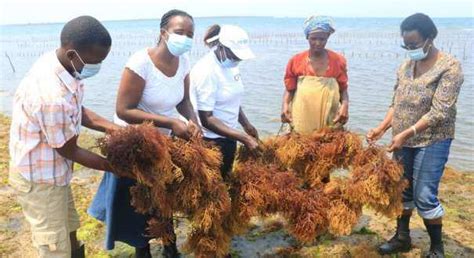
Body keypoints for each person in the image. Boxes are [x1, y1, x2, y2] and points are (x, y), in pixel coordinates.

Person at [88, 10, 199, 258]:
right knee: (139, 200)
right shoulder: (140, 62)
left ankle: (170, 247)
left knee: (164, 196)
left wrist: (192, 120)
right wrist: (171, 122)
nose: (186, 38)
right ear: (163, 33)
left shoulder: (184, 61)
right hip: (134, 143)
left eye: (190, 34)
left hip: (162, 141)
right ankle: (142, 250)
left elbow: (183, 101)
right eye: (180, 32)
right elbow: (124, 110)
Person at [8, 16, 119, 258]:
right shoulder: (50, 94)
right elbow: (69, 150)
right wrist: (114, 167)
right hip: (40, 178)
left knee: (69, 230)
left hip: (55, 172)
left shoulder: (61, 65)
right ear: (72, 54)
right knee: (54, 246)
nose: (97, 67)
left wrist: (115, 129)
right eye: (94, 61)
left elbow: (76, 109)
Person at [366, 13, 464, 258]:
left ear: (429, 38)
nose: (410, 49)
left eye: (414, 44)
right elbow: (395, 104)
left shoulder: (450, 67)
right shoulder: (406, 66)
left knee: (424, 195)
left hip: (432, 140)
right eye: (405, 45)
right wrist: (382, 128)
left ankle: (437, 249)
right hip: (402, 140)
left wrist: (408, 132)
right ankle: (402, 238)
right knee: (402, 190)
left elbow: (440, 111)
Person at [189, 24, 259, 180]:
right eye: (234, 55)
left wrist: (246, 125)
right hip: (209, 141)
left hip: (229, 136)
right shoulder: (206, 70)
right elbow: (206, 119)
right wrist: (244, 138)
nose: (237, 59)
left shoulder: (231, 65)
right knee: (211, 188)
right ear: (221, 46)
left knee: (225, 181)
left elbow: (232, 99)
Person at [281, 15, 349, 134]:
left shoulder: (338, 61)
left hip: (329, 117)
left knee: (330, 144)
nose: (317, 43)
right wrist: (285, 105)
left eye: (322, 39)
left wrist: (345, 106)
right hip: (302, 116)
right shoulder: (296, 60)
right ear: (307, 37)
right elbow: (289, 89)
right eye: (313, 38)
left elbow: (343, 89)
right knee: (300, 143)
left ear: (327, 37)